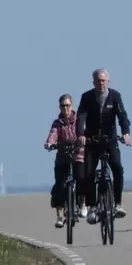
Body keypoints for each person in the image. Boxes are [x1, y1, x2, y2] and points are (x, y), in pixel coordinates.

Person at [75, 69, 132, 224]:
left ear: (108, 81)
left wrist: (126, 132)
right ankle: (92, 206)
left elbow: (122, 116)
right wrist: (80, 134)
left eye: (104, 80)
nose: (101, 83)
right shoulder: (86, 97)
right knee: (88, 173)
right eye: (98, 81)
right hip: (92, 141)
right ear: (94, 82)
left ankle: (117, 204)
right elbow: (80, 117)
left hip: (110, 140)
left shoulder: (115, 96)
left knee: (118, 168)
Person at [45, 94, 87, 227]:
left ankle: (83, 205)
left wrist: (84, 140)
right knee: (59, 185)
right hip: (63, 156)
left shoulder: (78, 120)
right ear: (59, 107)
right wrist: (49, 143)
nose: (65, 108)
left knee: (81, 178)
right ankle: (59, 216)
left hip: (78, 155)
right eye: (63, 106)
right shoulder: (57, 123)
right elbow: (53, 133)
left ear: (71, 106)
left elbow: (84, 133)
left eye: (67, 105)